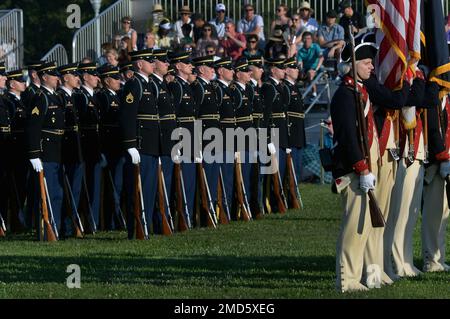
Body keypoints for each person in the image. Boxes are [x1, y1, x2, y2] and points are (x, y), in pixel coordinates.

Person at [119, 49, 160, 238]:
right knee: (138, 188)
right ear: (139, 64)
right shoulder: (134, 85)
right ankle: (135, 228)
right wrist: (130, 144)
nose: (153, 63)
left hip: (151, 145)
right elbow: (127, 116)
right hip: (140, 145)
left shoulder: (149, 85)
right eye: (149, 61)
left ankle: (145, 225)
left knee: (149, 188)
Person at [26, 62, 65, 240]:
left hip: (56, 150)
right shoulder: (40, 98)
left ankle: (55, 228)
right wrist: (34, 154)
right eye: (53, 75)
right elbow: (33, 128)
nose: (57, 78)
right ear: (44, 77)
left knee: (56, 193)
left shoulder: (55, 97)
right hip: (45, 152)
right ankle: (45, 229)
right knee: (47, 194)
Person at [168, 51, 198, 225]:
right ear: (178, 66)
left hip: (191, 138)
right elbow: (174, 116)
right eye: (187, 63)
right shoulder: (176, 86)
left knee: (190, 180)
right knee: (184, 181)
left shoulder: (185, 85)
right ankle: (182, 216)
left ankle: (188, 215)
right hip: (182, 138)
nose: (190, 66)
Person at [422, 84, 450, 273]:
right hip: (438, 165)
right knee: (435, 214)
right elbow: (432, 129)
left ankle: (439, 257)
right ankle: (432, 259)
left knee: (444, 214)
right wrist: (442, 157)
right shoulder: (435, 97)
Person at [95, 64, 125, 231]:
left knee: (118, 187)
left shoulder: (118, 96)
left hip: (118, 148)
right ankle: (109, 222)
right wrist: (102, 150)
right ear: (107, 80)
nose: (118, 81)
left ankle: (116, 219)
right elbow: (101, 126)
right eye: (115, 78)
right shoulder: (103, 97)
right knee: (111, 187)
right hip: (109, 149)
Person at [73, 63, 103, 230]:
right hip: (85, 147)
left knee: (94, 186)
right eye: (93, 75)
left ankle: (94, 221)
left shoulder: (95, 96)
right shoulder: (80, 96)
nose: (97, 78)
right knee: (84, 186)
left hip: (96, 147)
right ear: (85, 77)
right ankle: (82, 221)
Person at [151, 49, 177, 233]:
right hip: (160, 142)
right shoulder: (152, 84)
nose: (167, 64)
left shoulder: (162, 84)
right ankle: (159, 221)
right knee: (159, 185)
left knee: (167, 183)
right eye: (163, 61)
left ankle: (165, 218)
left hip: (169, 140)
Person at [56, 63, 83, 237]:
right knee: (66, 189)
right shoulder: (59, 97)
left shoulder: (75, 96)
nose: (77, 78)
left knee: (76, 188)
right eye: (74, 75)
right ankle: (65, 226)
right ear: (66, 77)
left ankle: (72, 223)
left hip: (76, 148)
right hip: (66, 149)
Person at [191, 55, 221, 215]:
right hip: (204, 138)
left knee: (213, 175)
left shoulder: (210, 87)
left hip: (214, 137)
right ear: (201, 69)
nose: (213, 70)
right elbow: (194, 117)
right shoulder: (198, 87)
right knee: (205, 177)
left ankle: (211, 208)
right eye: (210, 67)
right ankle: (203, 212)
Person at [2, 69, 28, 232]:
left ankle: (17, 221)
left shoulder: (20, 101)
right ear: (12, 84)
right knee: (7, 188)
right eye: (20, 81)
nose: (24, 83)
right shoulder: (8, 100)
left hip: (19, 151)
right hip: (9, 150)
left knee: (20, 187)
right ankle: (8, 221)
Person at [283, 57, 306, 184]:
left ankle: (294, 195)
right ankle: (290, 194)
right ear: (286, 70)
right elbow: (285, 113)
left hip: (298, 133)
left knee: (297, 168)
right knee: (291, 169)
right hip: (291, 133)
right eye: (293, 68)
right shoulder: (285, 88)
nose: (297, 70)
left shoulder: (294, 87)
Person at [297, 32, 323, 97]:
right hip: (306, 69)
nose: (307, 40)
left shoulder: (315, 46)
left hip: (317, 68)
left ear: (311, 39)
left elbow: (321, 58)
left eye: (309, 38)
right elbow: (300, 63)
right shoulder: (300, 51)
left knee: (310, 73)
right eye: (305, 38)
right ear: (302, 40)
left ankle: (314, 93)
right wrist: (301, 70)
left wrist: (316, 70)